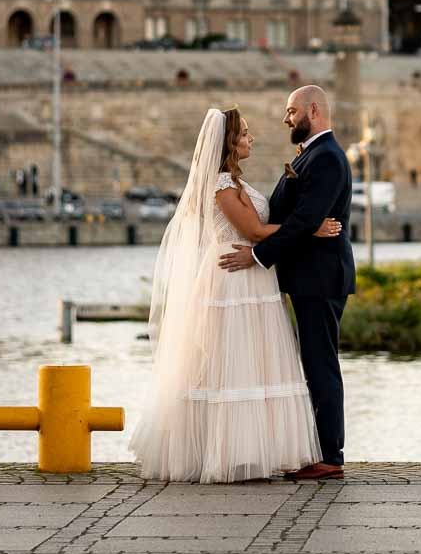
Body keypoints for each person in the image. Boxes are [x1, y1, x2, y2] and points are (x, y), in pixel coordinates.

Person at [130, 105, 342, 483]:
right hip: (232, 278)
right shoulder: (221, 185)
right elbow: (256, 232)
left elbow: (262, 227)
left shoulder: (235, 182)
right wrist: (310, 229)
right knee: (231, 366)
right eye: (244, 134)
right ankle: (226, 454)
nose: (251, 138)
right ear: (229, 142)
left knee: (253, 365)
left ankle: (253, 452)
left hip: (253, 277)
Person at [219, 85, 354, 481]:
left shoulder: (326, 157)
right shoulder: (312, 153)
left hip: (320, 277)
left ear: (313, 109)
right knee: (314, 362)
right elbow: (299, 219)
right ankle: (320, 450)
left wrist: (258, 255)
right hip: (310, 275)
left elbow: (305, 219)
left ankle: (331, 456)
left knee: (321, 364)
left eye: (291, 111)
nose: (286, 119)